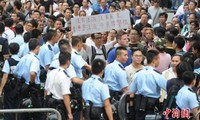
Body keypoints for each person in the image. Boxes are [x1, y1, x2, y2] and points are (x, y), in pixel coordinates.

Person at [129, 49, 167, 120]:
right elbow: (167, 88)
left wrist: (131, 109)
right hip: (152, 107)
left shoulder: (138, 73)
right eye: (158, 59)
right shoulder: (157, 75)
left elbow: (132, 92)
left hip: (139, 106)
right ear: (154, 60)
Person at [14, 38, 41, 120]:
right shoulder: (34, 59)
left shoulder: (23, 58)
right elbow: (32, 73)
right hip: (32, 87)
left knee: (24, 111)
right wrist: (31, 83)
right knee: (35, 113)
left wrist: (22, 80)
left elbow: (15, 72)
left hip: (23, 86)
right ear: (37, 47)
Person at [45, 52, 73, 120]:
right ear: (68, 61)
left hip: (49, 103)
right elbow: (65, 95)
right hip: (59, 105)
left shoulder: (51, 73)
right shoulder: (64, 76)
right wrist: (69, 113)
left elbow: (45, 90)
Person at [0, 43, 20, 120]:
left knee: (8, 107)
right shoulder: (22, 60)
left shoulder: (8, 61)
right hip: (19, 86)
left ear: (9, 51)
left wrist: (1, 89)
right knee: (18, 107)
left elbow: (5, 76)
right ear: (18, 50)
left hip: (10, 87)